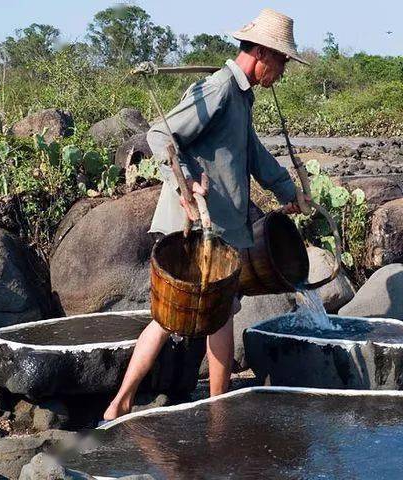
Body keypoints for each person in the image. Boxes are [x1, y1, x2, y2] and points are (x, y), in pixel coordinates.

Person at [104, 8, 309, 420]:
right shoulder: (218, 89)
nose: (283, 71)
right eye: (283, 60)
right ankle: (210, 410)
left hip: (219, 227)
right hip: (197, 224)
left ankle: (134, 403)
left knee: (204, 314)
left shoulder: (241, 96)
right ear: (263, 53)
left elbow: (253, 155)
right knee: (192, 315)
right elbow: (160, 135)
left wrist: (290, 192)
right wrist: (186, 185)